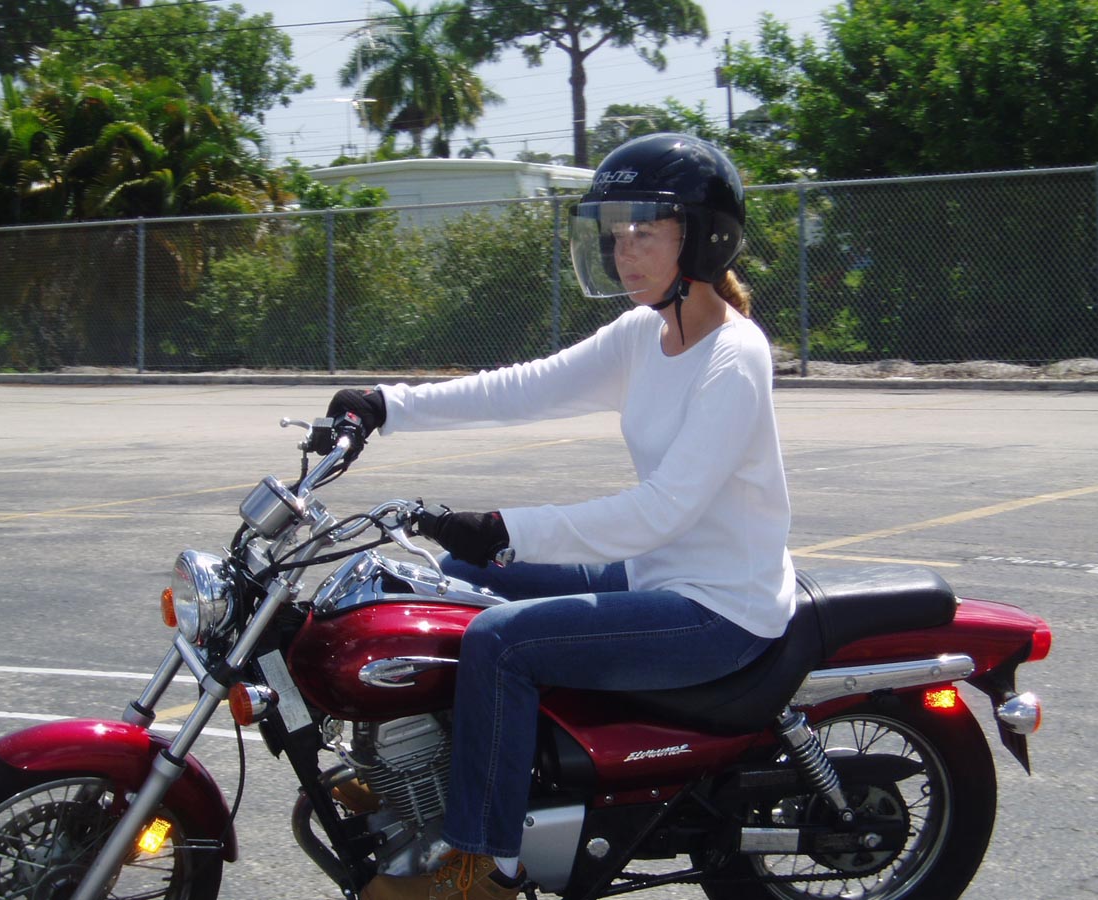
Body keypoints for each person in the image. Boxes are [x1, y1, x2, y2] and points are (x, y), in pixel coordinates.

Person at [326, 133, 796, 900]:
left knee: (502, 643)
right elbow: (526, 387)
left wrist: (507, 528)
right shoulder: (646, 334)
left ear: (702, 238)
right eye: (616, 233)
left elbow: (660, 512)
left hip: (720, 609)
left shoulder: (732, 356)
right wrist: (387, 405)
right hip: (654, 577)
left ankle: (487, 868)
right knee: (456, 577)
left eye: (645, 231)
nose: (623, 250)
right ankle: (436, 779)